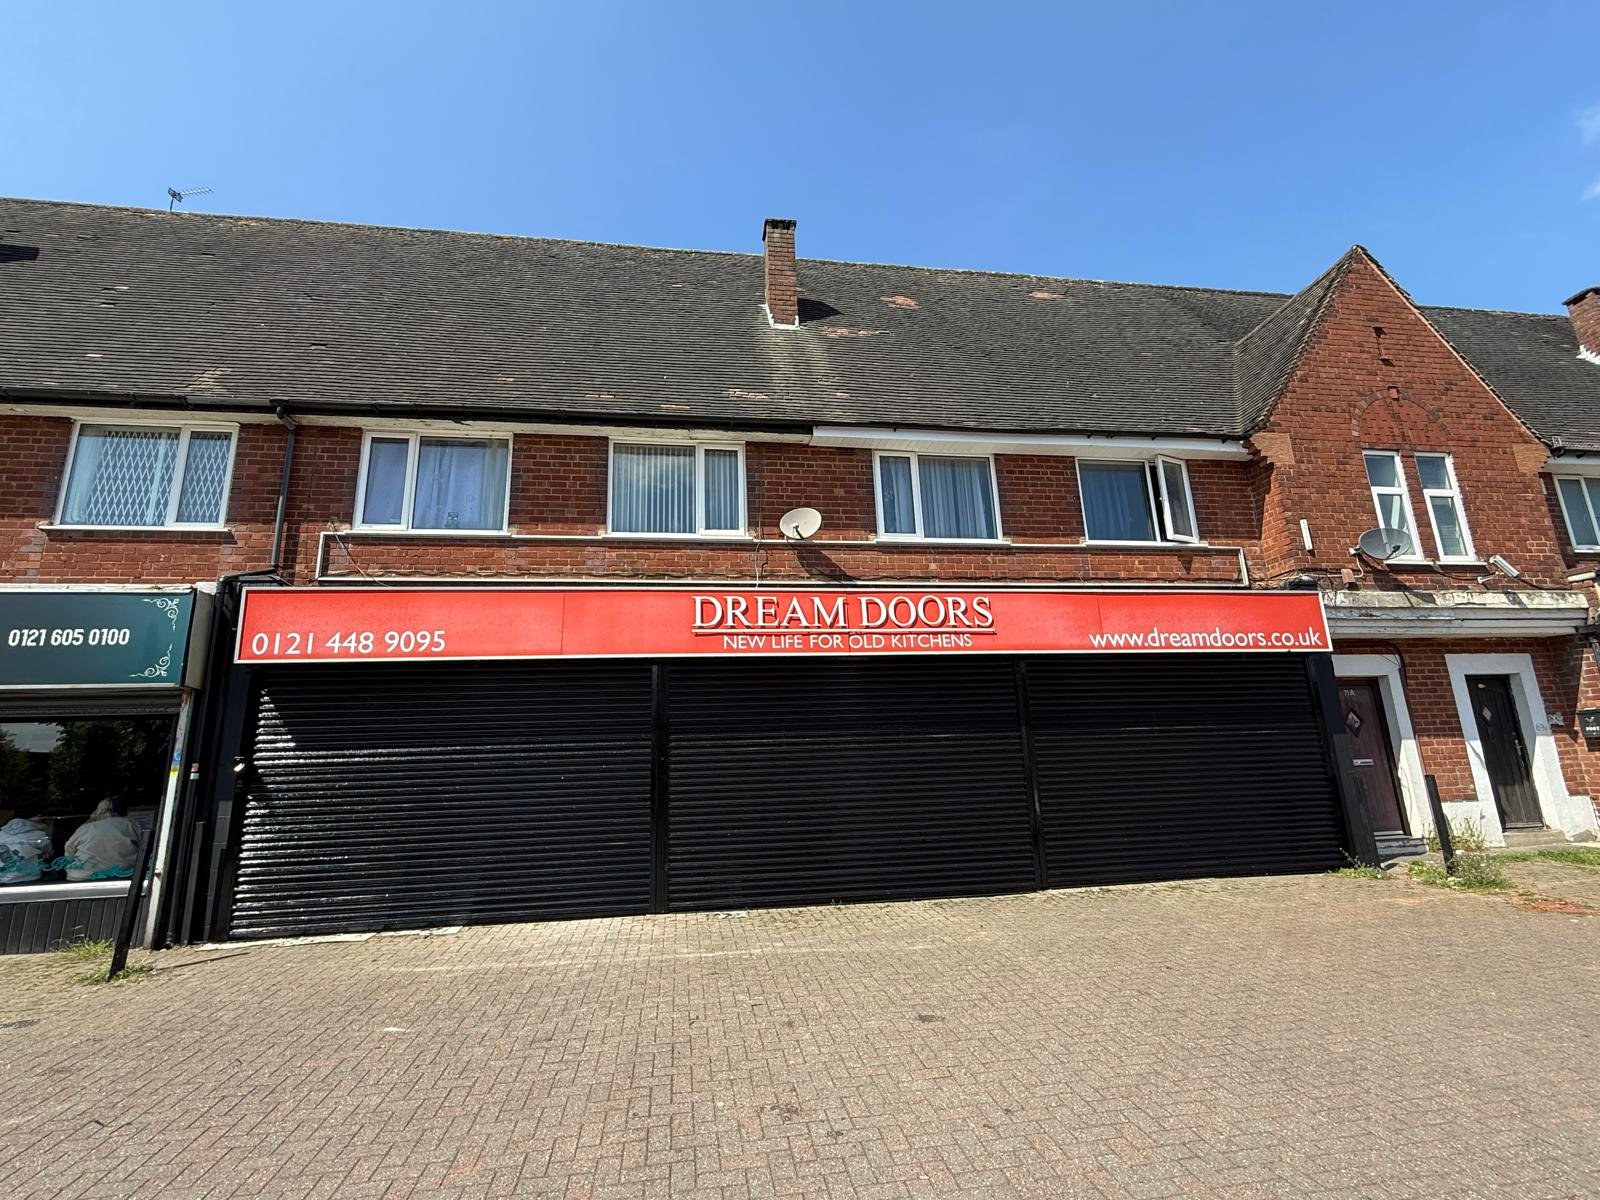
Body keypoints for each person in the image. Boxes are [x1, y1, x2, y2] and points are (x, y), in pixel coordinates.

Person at [61, 799, 142, 882]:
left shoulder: (86, 827)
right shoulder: (131, 824)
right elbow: (144, 848)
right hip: (122, 877)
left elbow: (69, 849)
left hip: (81, 877)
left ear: (99, 811)